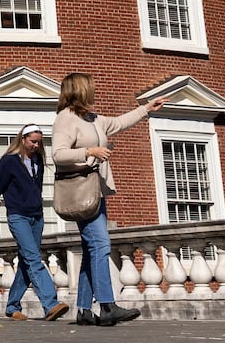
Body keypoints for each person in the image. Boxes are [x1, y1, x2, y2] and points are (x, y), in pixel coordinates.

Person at [50, 73, 167, 327]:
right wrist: (89, 151)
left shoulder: (92, 118)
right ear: (79, 91)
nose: (94, 91)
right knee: (101, 245)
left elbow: (119, 123)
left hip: (95, 191)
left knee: (92, 249)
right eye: (90, 88)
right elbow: (58, 154)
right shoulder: (65, 119)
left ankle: (83, 310)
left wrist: (146, 108)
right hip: (81, 191)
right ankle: (107, 306)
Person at [0, 124, 68, 322]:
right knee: (34, 259)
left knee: (27, 262)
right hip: (18, 216)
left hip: (37, 217)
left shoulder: (38, 161)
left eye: (38, 142)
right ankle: (51, 304)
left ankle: (12, 306)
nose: (36, 145)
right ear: (23, 139)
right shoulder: (10, 162)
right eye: (32, 141)